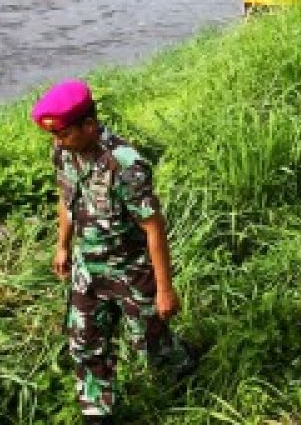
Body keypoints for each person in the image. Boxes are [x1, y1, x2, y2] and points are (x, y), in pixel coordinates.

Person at [32, 79, 195, 424]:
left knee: (148, 343)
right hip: (87, 268)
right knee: (84, 342)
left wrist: (165, 289)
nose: (58, 142)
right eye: (56, 136)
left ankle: (182, 364)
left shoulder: (125, 165)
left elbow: (153, 227)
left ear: (89, 126)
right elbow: (66, 198)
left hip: (130, 269)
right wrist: (63, 244)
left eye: (64, 134)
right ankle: (98, 412)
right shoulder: (64, 152)